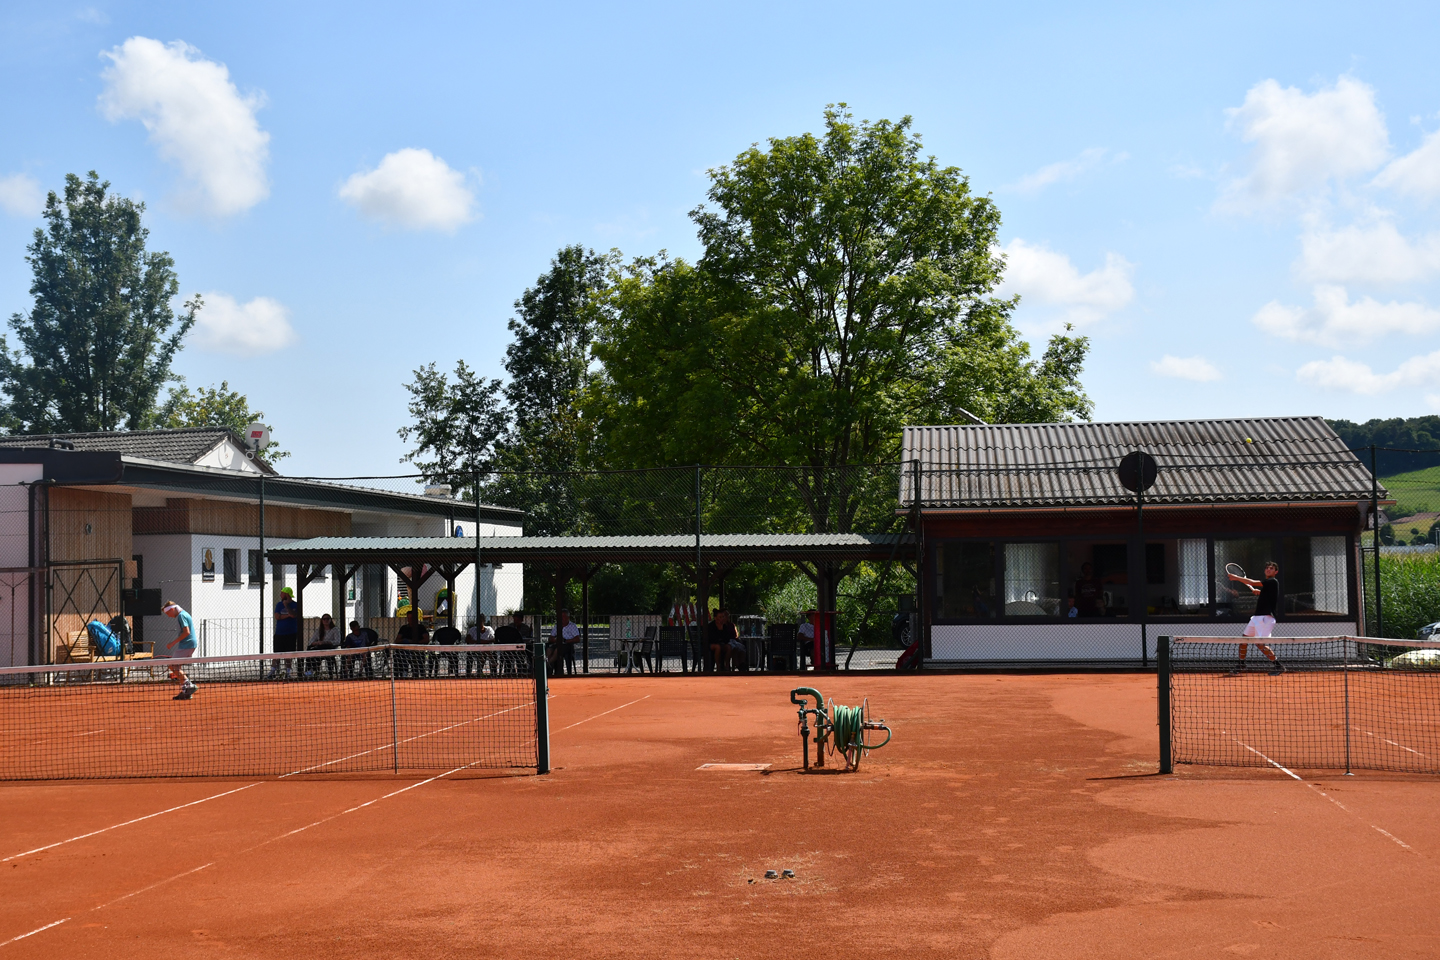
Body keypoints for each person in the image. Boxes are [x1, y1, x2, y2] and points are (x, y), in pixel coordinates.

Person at [1229, 561, 1284, 673]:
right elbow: (1265, 594)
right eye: (1267, 568)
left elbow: (1252, 582)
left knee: (1259, 644)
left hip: (1266, 618)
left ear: (1276, 572)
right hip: (1256, 618)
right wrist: (1258, 591)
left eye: (1271, 568)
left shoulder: (1272, 581)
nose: (1268, 569)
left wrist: (1236, 578)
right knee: (1243, 640)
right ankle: (1241, 664)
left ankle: (1278, 666)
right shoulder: (1268, 584)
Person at [161, 600, 198, 700]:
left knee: (172, 666)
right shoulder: (184, 614)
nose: (168, 616)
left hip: (187, 644)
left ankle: (189, 686)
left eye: (168, 613)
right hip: (188, 644)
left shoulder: (181, 616)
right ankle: (186, 692)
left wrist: (172, 643)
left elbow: (186, 632)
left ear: (172, 609)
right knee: (176, 667)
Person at [269, 586, 299, 679]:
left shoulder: (295, 605)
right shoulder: (279, 605)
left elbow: (293, 615)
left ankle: (288, 673)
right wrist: (288, 615)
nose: (280, 595)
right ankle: (272, 672)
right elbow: (277, 616)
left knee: (289, 655)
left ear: (287, 594)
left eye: (282, 593)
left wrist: (286, 606)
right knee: (276, 654)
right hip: (279, 634)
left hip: (291, 634)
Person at [395, 608, 430, 679]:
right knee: (400, 655)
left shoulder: (421, 628)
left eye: (411, 618)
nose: (410, 620)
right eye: (408, 618)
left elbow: (426, 639)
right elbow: (397, 640)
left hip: (417, 649)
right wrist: (405, 640)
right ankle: (403, 673)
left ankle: (419, 673)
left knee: (415, 656)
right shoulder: (404, 628)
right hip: (405, 649)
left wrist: (416, 643)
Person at [305, 613, 341, 678]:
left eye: (327, 619)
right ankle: (311, 671)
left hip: (330, 648)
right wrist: (317, 643)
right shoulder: (319, 630)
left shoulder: (335, 629)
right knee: (310, 652)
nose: (326, 620)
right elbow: (311, 642)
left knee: (323, 653)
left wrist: (326, 642)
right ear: (322, 620)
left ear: (330, 620)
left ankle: (329, 674)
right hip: (319, 648)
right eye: (324, 619)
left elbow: (337, 641)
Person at [548, 609, 580, 676]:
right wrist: (554, 639)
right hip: (557, 643)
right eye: (561, 616)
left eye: (564, 616)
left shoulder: (572, 626)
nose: (562, 618)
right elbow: (551, 636)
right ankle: (549, 669)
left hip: (567, 645)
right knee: (549, 649)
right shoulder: (557, 626)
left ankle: (547, 663)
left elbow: (577, 639)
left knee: (557, 650)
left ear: (568, 617)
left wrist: (566, 640)